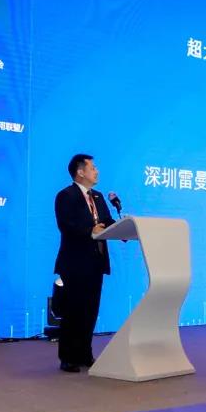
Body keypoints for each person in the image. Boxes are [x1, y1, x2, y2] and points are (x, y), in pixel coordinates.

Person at [54, 154, 114, 372]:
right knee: (73, 311)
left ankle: (84, 353)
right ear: (80, 172)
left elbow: (107, 222)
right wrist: (90, 230)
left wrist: (126, 226)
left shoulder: (98, 196)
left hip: (96, 262)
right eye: (93, 168)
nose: (96, 171)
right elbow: (66, 225)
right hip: (75, 263)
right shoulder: (66, 196)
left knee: (90, 311)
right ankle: (68, 357)